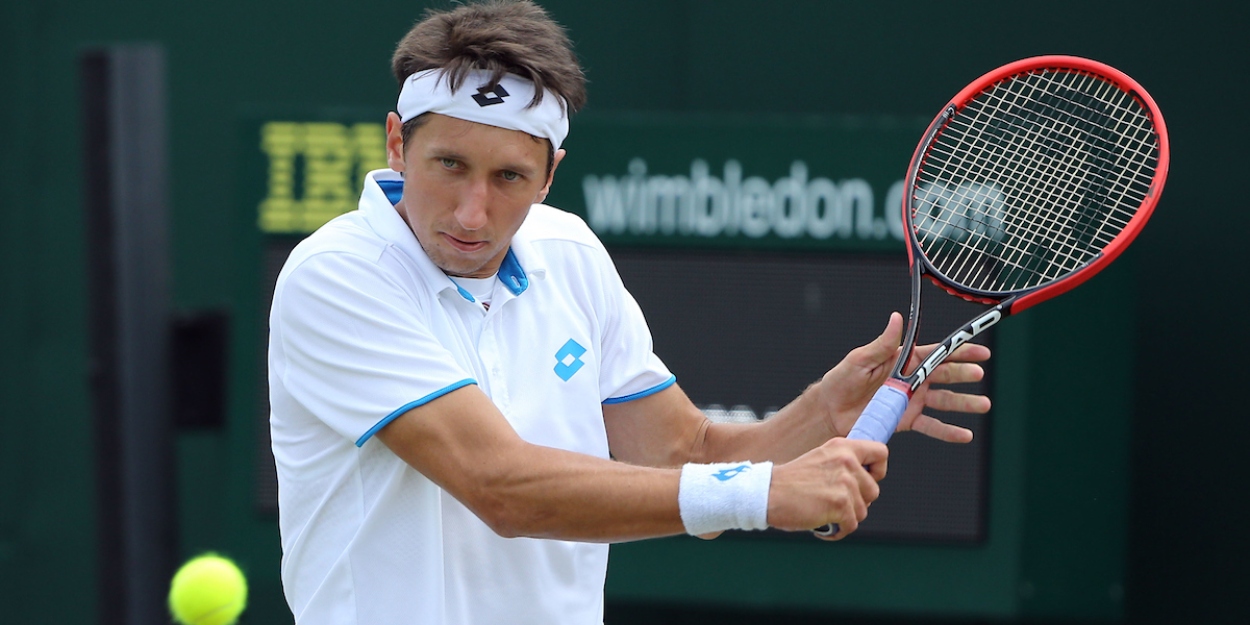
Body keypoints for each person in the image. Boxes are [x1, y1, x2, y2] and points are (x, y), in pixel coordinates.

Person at [267, 1, 991, 623]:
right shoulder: (338, 277)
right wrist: (766, 492)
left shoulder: (570, 253)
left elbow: (683, 454)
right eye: (448, 164)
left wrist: (816, 416)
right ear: (398, 143)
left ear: (550, 175)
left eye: (509, 176)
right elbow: (501, 487)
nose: (472, 210)